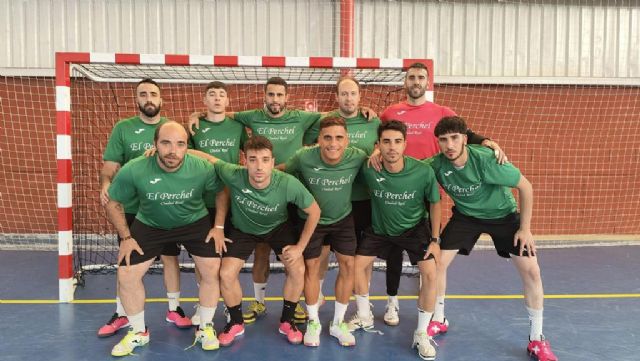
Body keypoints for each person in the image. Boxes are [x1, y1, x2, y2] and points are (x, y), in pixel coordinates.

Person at [374, 62, 506, 326]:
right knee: (393, 247)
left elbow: (464, 134)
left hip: (428, 184)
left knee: (425, 245)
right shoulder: (391, 112)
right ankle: (392, 303)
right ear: (405, 82)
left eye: (421, 77)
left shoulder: (442, 111)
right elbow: (377, 136)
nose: (416, 81)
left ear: (427, 82)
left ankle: (429, 300)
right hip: (395, 186)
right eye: (411, 77)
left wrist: (488, 140)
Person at [426, 116, 557, 361]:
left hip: (503, 215)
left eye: (455, 138)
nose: (449, 145)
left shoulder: (486, 160)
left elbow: (525, 187)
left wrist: (525, 229)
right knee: (437, 263)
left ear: (465, 139)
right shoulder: (436, 165)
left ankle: (537, 340)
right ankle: (439, 318)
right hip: (466, 217)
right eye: (443, 140)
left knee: (532, 271)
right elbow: (410, 170)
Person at [105, 121, 228, 356]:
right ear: (154, 145)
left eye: (180, 144)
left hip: (194, 222)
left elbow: (221, 191)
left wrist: (219, 226)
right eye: (166, 143)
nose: (173, 150)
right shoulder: (135, 168)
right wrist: (127, 237)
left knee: (212, 268)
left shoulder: (201, 167)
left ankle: (205, 327)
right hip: (151, 223)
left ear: (187, 147)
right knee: (127, 274)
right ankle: (139, 332)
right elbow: (112, 202)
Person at [196, 136, 320, 347]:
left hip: (278, 228)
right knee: (225, 274)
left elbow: (314, 211)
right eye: (253, 159)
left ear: (273, 162)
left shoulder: (288, 183)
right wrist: (169, 152)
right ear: (245, 161)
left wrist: (300, 247)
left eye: (265, 160)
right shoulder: (234, 174)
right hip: (243, 229)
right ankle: (236, 322)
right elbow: (207, 158)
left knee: (298, 269)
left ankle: (287, 321)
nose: (259, 166)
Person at [98, 78, 189, 338]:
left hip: (164, 205)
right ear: (136, 99)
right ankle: (122, 313)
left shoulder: (171, 129)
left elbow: (182, 160)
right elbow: (110, 166)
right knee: (125, 259)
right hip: (132, 208)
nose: (148, 98)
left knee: (171, 256)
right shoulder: (123, 128)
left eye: (153, 94)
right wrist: (105, 184)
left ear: (161, 99)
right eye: (143, 94)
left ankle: (174, 309)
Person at [352, 120, 442, 360]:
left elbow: (435, 203)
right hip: (380, 229)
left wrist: (435, 239)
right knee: (355, 266)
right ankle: (364, 315)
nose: (392, 147)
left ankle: (421, 333)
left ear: (405, 144)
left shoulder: (423, 171)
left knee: (431, 273)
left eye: (397, 142)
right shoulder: (369, 168)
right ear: (378, 144)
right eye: (386, 142)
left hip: (414, 230)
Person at [284, 117, 367, 347]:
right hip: (311, 221)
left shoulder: (358, 156)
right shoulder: (303, 157)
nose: (333, 143)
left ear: (347, 140)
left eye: (339, 137)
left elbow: (375, 162)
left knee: (348, 266)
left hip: (343, 219)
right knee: (311, 268)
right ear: (318, 139)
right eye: (327, 137)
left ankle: (337, 323)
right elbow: (282, 173)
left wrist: (379, 154)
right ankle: (313, 322)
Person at [303, 77, 381, 306]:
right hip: (332, 197)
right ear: (336, 97)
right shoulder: (324, 121)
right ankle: (316, 295)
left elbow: (387, 143)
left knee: (362, 256)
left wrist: (377, 151)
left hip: (364, 198)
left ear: (360, 96)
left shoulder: (373, 121)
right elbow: (307, 145)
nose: (349, 98)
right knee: (323, 252)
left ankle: (362, 302)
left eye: (353, 93)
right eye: (344, 94)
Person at [188, 80, 248, 326]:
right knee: (204, 259)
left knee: (227, 262)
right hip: (202, 200)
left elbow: (251, 154)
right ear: (204, 101)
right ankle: (205, 303)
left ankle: (229, 305)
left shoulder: (237, 127)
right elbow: (184, 154)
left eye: (221, 95)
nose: (216, 98)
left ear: (227, 101)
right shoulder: (194, 126)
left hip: (232, 201)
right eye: (211, 94)